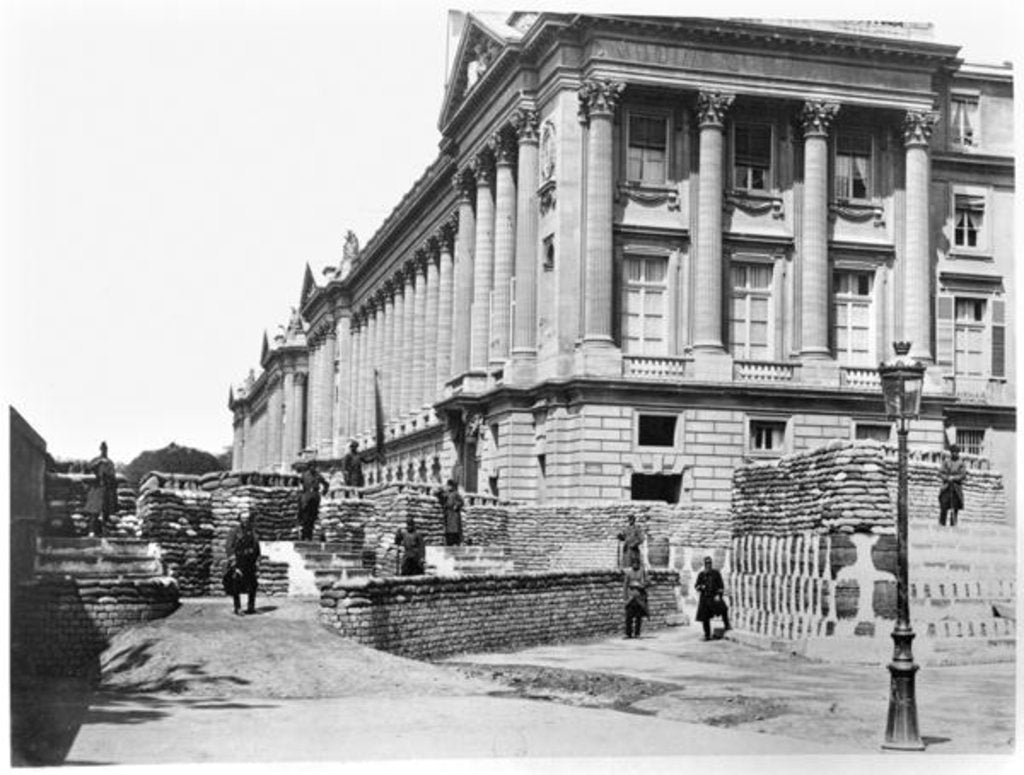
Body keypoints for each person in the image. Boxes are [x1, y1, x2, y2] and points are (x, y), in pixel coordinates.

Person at [225, 515, 261, 615]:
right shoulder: (234, 532)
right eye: (243, 519)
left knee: (253, 584)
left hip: (250, 561)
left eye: (247, 519)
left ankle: (251, 606)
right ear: (240, 520)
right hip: (239, 561)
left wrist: (257, 560)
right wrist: (234, 562)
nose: (245, 521)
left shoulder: (252, 532)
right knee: (237, 585)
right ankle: (238, 608)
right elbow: (229, 547)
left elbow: (257, 546)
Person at [83, 441, 118, 537]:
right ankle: (91, 531)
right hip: (96, 488)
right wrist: (99, 462)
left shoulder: (110, 462)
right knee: (94, 512)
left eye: (105, 449)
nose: (104, 451)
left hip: (106, 489)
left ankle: (104, 532)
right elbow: (87, 469)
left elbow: (112, 476)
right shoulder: (96, 460)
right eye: (103, 449)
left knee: (106, 512)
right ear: (100, 449)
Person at [695, 556, 731, 641]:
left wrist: (719, 595)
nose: (708, 565)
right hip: (704, 598)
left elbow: (721, 585)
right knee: (705, 617)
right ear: (704, 564)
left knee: (724, 609)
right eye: (707, 563)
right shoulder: (701, 574)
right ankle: (707, 635)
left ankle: (727, 625)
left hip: (714, 596)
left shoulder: (716, 573)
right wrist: (701, 587)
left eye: (710, 563)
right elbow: (696, 586)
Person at [297, 459, 329, 541]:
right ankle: (304, 534)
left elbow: (326, 484)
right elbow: (299, 484)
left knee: (312, 517)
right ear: (309, 467)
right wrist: (301, 493)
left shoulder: (318, 475)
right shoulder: (304, 475)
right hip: (306, 497)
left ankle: (309, 535)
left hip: (315, 496)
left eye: (314, 466)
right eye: (312, 466)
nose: (313, 468)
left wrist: (324, 492)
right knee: (305, 517)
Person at [939, 444, 967, 527]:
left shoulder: (961, 463)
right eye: (953, 452)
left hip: (956, 487)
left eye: (956, 452)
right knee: (944, 505)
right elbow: (941, 473)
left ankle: (953, 524)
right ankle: (942, 523)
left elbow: (963, 475)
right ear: (950, 453)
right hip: (946, 486)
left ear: (958, 453)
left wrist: (954, 478)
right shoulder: (946, 462)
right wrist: (947, 478)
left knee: (955, 507)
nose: (954, 454)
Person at [623, 555, 649, 639]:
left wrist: (641, 586)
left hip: (639, 597)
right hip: (631, 597)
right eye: (634, 563)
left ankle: (637, 633)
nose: (635, 565)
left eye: (637, 563)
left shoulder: (642, 572)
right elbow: (625, 585)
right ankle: (628, 633)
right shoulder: (628, 573)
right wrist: (625, 597)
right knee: (628, 616)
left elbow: (647, 582)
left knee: (638, 616)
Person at [436, 479, 464, 546]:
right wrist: (440, 491)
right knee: (448, 529)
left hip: (454, 514)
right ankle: (449, 541)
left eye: (450, 486)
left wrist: (457, 505)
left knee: (455, 528)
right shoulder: (447, 493)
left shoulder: (456, 494)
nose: (449, 487)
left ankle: (455, 541)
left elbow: (461, 502)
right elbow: (441, 496)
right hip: (448, 513)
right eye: (448, 486)